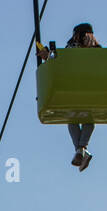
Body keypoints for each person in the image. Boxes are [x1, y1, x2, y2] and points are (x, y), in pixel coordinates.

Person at [39, 23, 100, 169]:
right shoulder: (97, 49)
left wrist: (47, 56)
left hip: (71, 88)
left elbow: (59, 64)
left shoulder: (71, 47)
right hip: (92, 88)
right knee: (89, 120)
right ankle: (81, 149)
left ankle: (80, 150)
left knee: (72, 119)